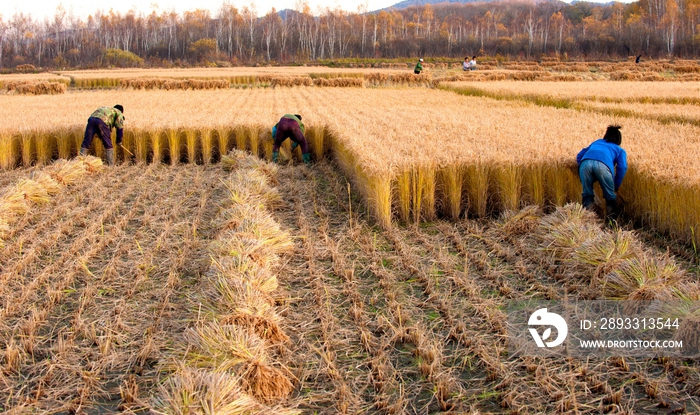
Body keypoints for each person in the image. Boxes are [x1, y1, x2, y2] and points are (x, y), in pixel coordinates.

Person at [576, 125, 628, 221]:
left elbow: (579, 155)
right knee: (610, 195)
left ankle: (587, 219)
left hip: (585, 163)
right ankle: (611, 221)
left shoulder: (597, 142)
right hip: (603, 166)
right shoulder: (619, 150)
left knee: (587, 193)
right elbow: (622, 167)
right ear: (619, 139)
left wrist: (581, 168)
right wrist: (616, 184)